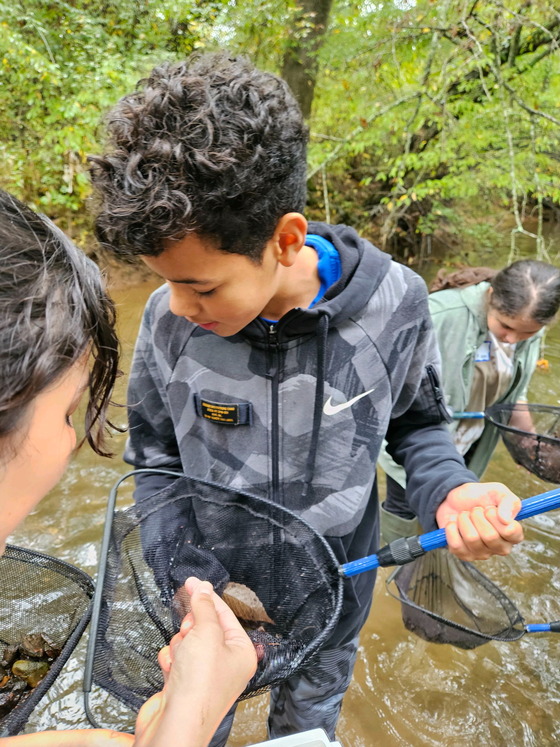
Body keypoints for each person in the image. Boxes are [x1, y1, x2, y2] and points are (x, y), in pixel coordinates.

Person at [89, 52, 524, 745]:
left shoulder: (396, 302)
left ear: (286, 238)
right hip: (208, 602)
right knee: (199, 723)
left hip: (336, 592)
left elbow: (418, 425)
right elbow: (153, 459)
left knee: (307, 727)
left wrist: (451, 490)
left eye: (202, 287)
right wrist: (190, 581)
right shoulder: (172, 324)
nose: (175, 306)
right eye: (163, 282)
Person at [0, 190, 257, 746]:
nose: (72, 442)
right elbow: (155, 456)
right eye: (68, 411)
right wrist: (185, 725)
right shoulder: (169, 327)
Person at [378, 260, 560, 542]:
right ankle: (394, 563)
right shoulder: (438, 314)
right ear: (490, 296)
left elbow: (515, 396)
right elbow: (389, 390)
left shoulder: (526, 330)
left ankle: (434, 560)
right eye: (505, 326)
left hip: (469, 442)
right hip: (420, 443)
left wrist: (530, 445)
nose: (513, 339)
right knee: (404, 509)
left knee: (454, 515)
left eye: (527, 333)